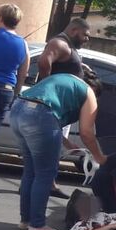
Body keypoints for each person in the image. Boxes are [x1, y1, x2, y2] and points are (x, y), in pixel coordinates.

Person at [10, 71, 107, 230]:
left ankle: (26, 220)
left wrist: (66, 142)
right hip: (39, 115)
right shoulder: (89, 93)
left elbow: (46, 113)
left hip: (18, 110)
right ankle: (37, 225)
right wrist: (99, 156)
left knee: (31, 171)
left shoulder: (66, 80)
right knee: (45, 173)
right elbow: (86, 132)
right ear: (95, 90)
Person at [37, 17, 91, 199]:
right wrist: (47, 91)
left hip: (60, 108)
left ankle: (45, 183)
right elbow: (44, 63)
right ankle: (44, 186)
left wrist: (79, 67)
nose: (87, 38)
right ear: (74, 30)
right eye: (85, 34)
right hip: (53, 106)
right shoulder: (59, 43)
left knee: (53, 148)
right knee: (48, 149)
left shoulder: (68, 46)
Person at [0, 3, 30, 197]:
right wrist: (15, 94)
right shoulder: (23, 44)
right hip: (5, 91)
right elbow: (23, 74)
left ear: (0, 17)